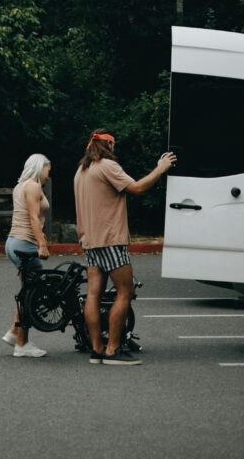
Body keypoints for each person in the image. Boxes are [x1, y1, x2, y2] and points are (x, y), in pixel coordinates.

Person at [74, 128, 176, 366]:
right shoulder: (107, 166)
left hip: (90, 241)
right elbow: (137, 187)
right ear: (108, 145)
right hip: (110, 239)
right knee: (125, 291)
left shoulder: (82, 170)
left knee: (93, 294)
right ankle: (113, 350)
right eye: (113, 144)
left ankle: (97, 349)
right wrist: (161, 168)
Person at [3, 153, 51, 358]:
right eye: (48, 168)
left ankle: (14, 333)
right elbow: (33, 216)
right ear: (39, 167)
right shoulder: (33, 186)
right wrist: (42, 243)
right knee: (34, 294)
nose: (49, 173)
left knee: (28, 291)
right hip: (25, 243)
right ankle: (22, 344)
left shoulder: (20, 186)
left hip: (13, 242)